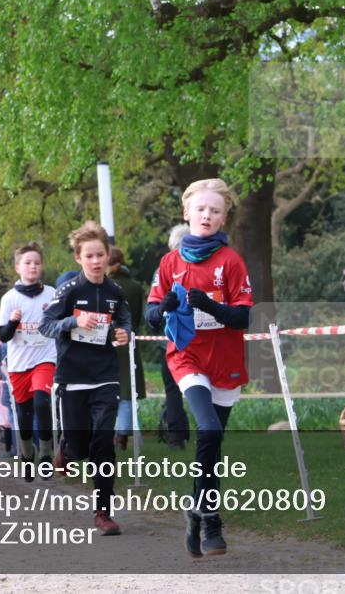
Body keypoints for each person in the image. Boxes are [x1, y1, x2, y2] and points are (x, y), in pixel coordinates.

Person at [146, 179, 254, 557]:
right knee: (207, 427)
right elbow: (151, 315)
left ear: (223, 219)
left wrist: (208, 306)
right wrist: (165, 310)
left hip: (225, 360)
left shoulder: (231, 262)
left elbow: (243, 319)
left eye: (215, 211)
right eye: (201, 209)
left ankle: (198, 512)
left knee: (213, 442)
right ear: (186, 213)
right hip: (187, 356)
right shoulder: (170, 263)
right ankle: (212, 521)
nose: (207, 216)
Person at [41, 221, 131, 536]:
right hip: (73, 376)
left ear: (108, 257)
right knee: (80, 449)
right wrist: (73, 321)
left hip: (105, 376)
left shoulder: (115, 291)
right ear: (79, 258)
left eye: (100, 255)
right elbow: (46, 326)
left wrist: (124, 333)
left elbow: (124, 320)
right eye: (89, 256)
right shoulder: (69, 290)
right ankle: (67, 445)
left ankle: (104, 512)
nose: (95, 261)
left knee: (103, 442)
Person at [0, 242, 58, 479]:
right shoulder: (9, 299)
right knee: (23, 414)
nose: (33, 266)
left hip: (45, 358)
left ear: (41, 267)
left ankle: (44, 453)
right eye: (28, 263)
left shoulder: (52, 294)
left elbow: (59, 324)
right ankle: (26, 453)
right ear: (17, 268)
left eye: (37, 263)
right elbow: (3, 336)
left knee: (42, 403)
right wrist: (13, 322)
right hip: (19, 363)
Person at [108, 246, 145, 452]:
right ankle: (123, 433)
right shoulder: (135, 287)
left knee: (109, 389)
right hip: (129, 340)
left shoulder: (104, 286)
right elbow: (139, 317)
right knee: (128, 390)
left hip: (106, 341)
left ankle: (118, 432)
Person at [159, 224, 191, 450]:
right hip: (194, 337)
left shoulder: (165, 266)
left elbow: (155, 306)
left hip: (171, 339)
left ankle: (176, 437)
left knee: (172, 390)